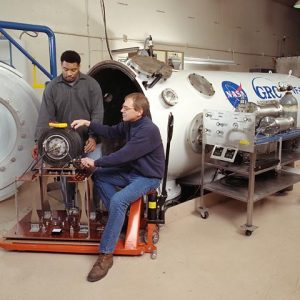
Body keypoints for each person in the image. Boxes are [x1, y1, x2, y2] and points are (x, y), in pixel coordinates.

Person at [71, 92, 165, 282]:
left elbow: (124, 155)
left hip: (148, 176)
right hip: (132, 171)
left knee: (118, 200)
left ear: (139, 112)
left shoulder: (148, 130)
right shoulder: (130, 124)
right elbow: (111, 131)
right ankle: (120, 219)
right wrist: (89, 123)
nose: (121, 110)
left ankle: (105, 256)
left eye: (126, 108)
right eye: (123, 106)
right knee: (99, 177)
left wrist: (95, 162)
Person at [32, 50, 104, 209]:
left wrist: (93, 137)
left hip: (88, 140)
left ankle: (94, 209)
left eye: (73, 70)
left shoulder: (92, 85)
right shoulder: (52, 87)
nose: (69, 73)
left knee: (96, 172)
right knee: (66, 174)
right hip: (65, 142)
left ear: (79, 67)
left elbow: (98, 113)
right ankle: (70, 208)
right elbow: (45, 116)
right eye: (65, 69)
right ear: (61, 66)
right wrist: (39, 142)